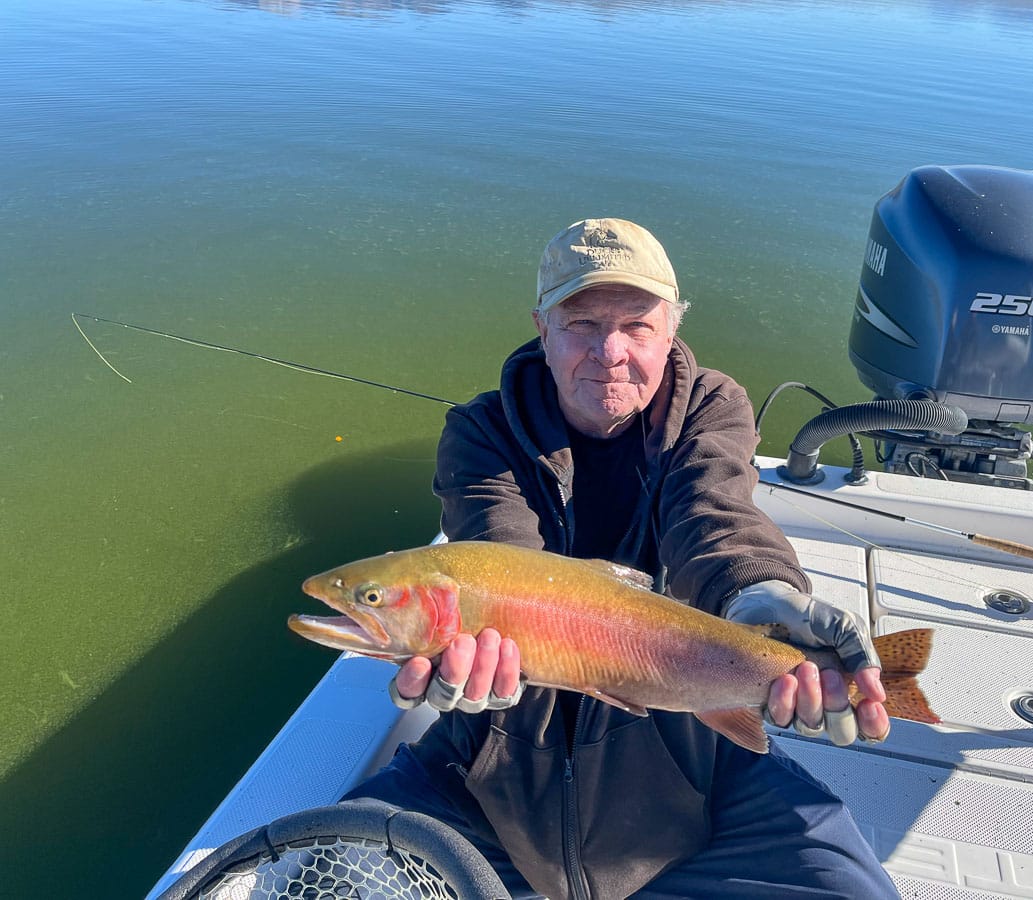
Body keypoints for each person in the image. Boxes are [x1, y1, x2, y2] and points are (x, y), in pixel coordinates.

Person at [343, 218, 897, 899]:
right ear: (542, 331)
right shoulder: (481, 432)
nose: (610, 350)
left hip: (687, 751)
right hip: (495, 762)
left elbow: (714, 518)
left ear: (671, 332)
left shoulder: (710, 408)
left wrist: (758, 592)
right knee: (334, 866)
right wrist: (487, 651)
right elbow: (501, 559)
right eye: (581, 324)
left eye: (637, 325)